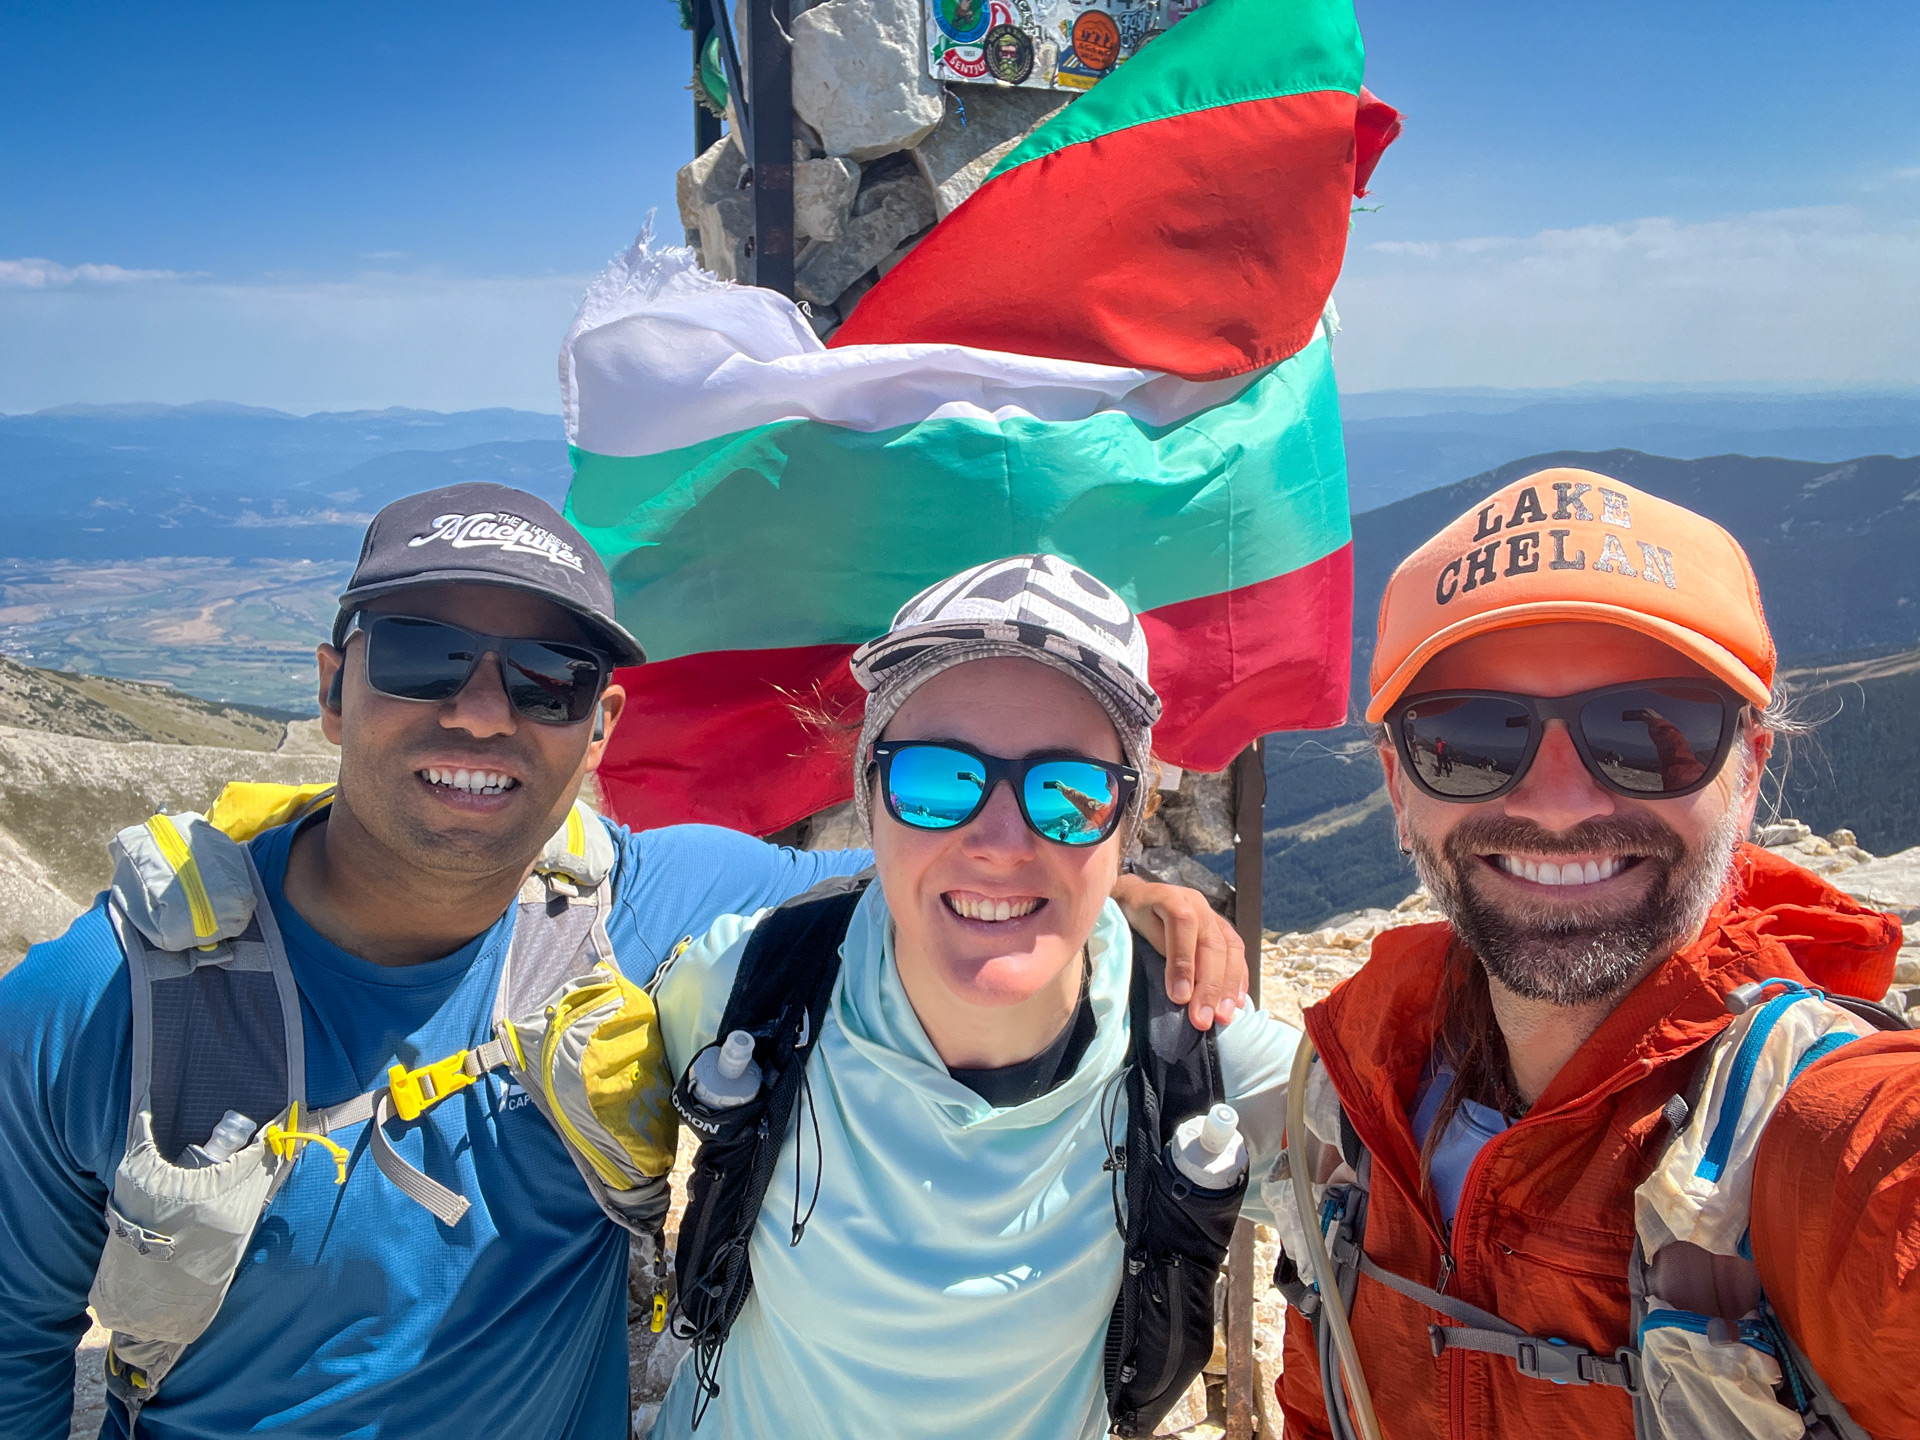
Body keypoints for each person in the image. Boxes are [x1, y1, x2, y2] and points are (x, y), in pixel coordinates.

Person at [0, 486, 1246, 1440]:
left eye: (548, 680)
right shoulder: (96, 1006)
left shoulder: (656, 905)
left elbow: (948, 887)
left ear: (600, 729)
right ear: (334, 689)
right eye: (426, 656)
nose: (483, 711)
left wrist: (1119, 885)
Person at [1276, 469, 1920, 1440]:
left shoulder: (1823, 1145)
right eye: (1470, 736)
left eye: (1649, 732)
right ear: (1400, 791)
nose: (1558, 801)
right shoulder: (1351, 1088)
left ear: (1748, 776)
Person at [645, 554, 1304, 1440]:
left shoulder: (1199, 1055)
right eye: (936, 780)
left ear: (1129, 822)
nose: (999, 841)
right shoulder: (752, 987)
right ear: (868, 797)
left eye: (1067, 798)